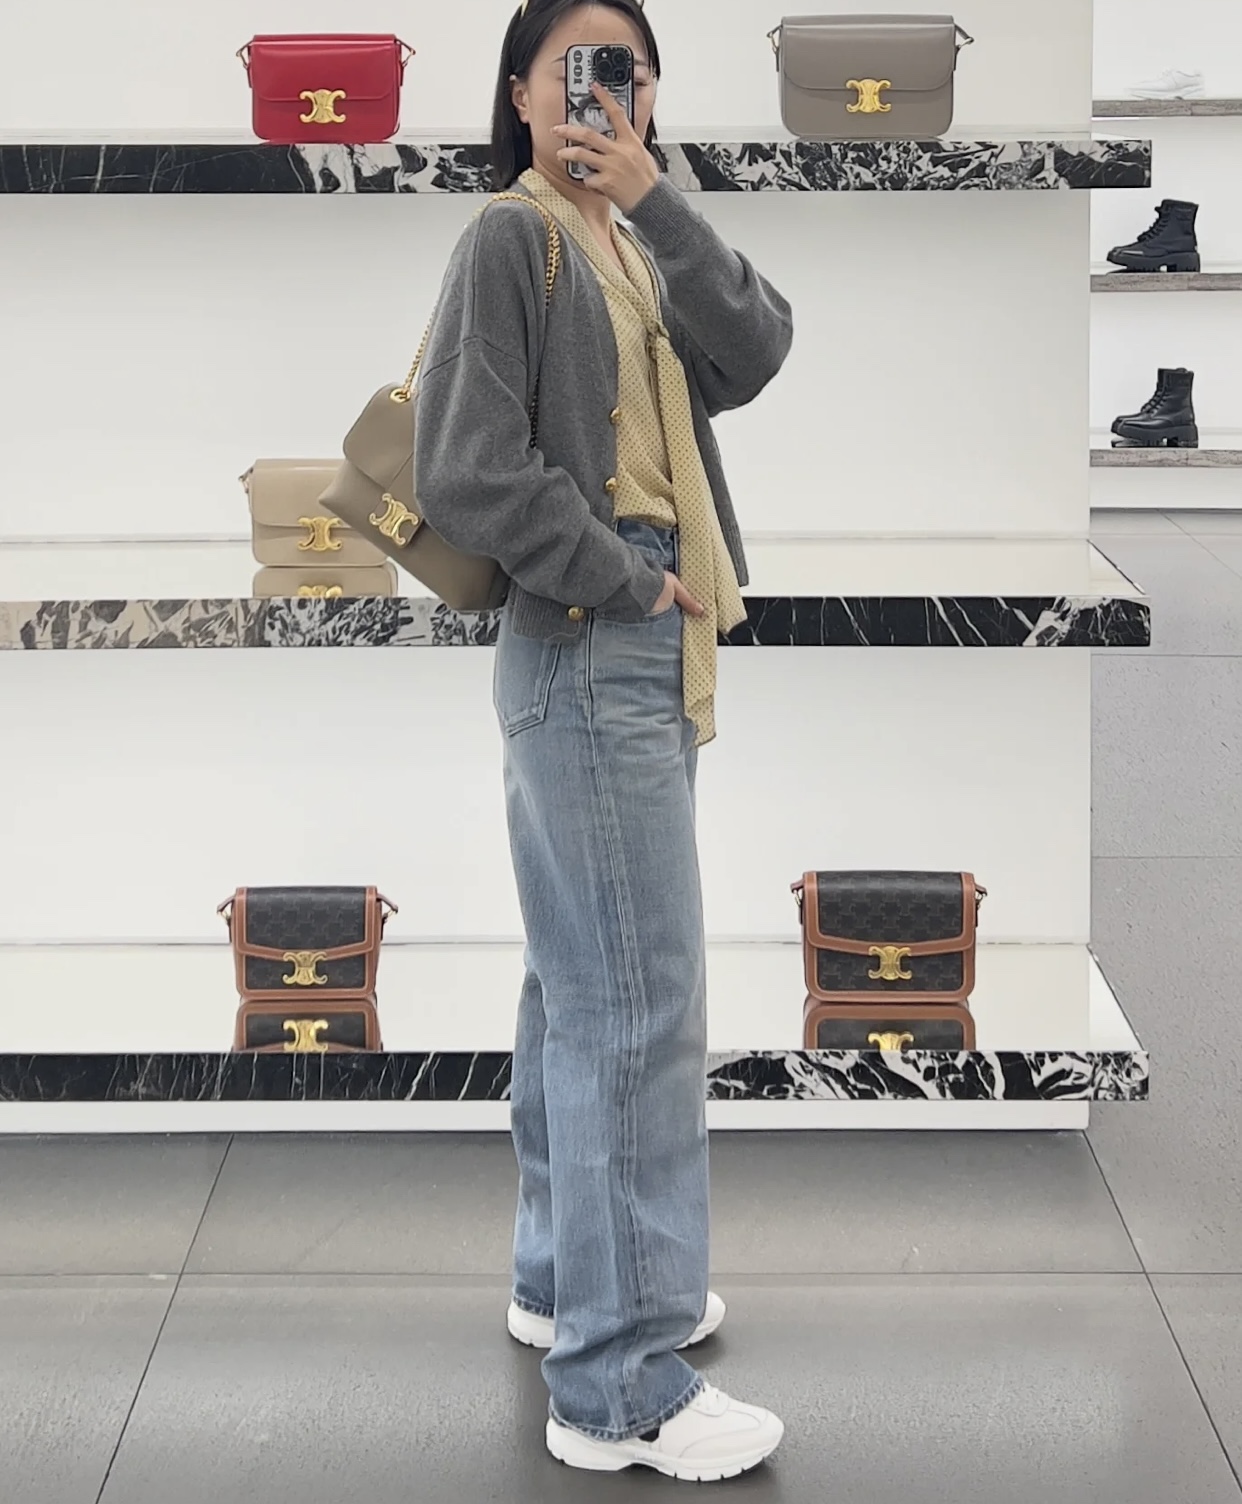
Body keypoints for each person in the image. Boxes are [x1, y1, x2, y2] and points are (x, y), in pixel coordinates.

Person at [414, 0, 793, 1481]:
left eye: (624, 75)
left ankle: (562, 1284)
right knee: (637, 1005)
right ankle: (619, 1384)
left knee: (579, 986)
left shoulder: (630, 240)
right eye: (575, 70)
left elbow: (756, 348)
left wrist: (658, 198)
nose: (599, 95)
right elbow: (465, 468)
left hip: (627, 646)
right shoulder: (513, 239)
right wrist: (622, 576)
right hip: (592, 636)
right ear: (520, 91)